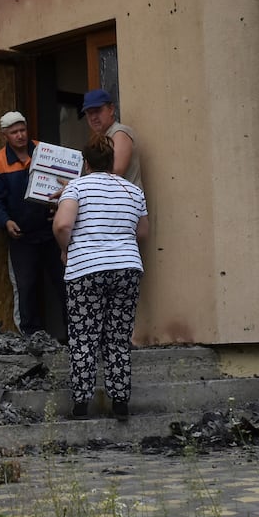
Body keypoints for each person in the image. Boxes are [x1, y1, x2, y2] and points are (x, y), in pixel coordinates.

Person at [53, 133, 148, 420]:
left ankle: (82, 403)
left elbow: (62, 225)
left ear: (86, 163)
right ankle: (120, 402)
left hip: (86, 270)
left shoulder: (76, 188)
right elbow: (142, 232)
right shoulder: (133, 191)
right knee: (118, 336)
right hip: (127, 269)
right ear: (111, 161)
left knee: (84, 335)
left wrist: (65, 250)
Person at [0, 111, 67, 341]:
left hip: (52, 233)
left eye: (23, 130)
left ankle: (75, 335)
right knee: (26, 286)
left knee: (65, 283)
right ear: (5, 135)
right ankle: (31, 337)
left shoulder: (45, 151)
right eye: (14, 132)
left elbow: (67, 183)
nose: (20, 135)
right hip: (22, 236)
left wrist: (62, 209)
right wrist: (6, 222)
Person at [81, 87, 141, 187]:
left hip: (126, 200)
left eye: (97, 111)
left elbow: (116, 171)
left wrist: (77, 187)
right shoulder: (100, 138)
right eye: (89, 113)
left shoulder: (120, 132)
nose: (93, 117)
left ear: (111, 109)